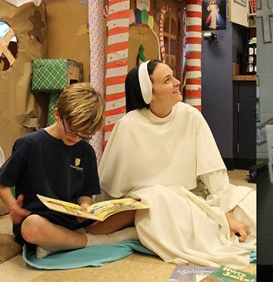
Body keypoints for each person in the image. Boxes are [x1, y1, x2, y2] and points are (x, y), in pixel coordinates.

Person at [99, 60, 256, 268]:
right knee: (156, 198)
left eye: (173, 76)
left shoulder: (190, 116)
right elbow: (110, 189)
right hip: (154, 205)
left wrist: (226, 215)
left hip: (192, 198)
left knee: (252, 202)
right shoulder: (128, 126)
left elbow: (214, 176)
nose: (177, 82)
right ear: (150, 93)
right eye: (167, 80)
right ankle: (125, 232)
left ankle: (138, 232)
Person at [0, 83, 138, 259]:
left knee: (132, 211)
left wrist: (85, 207)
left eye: (84, 135)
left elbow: (86, 193)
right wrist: (12, 207)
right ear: (57, 114)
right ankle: (92, 241)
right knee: (32, 227)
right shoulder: (29, 144)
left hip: (71, 222)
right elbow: (3, 182)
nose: (76, 138)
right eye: (73, 131)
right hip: (39, 220)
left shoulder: (86, 151)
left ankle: (60, 243)